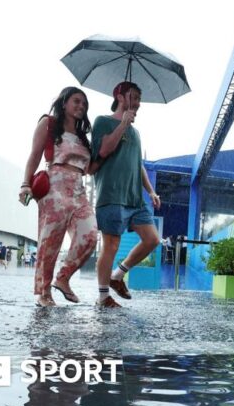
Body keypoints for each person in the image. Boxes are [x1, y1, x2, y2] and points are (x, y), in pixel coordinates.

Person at [19, 87, 99, 307]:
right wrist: (25, 184)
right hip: (54, 187)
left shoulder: (84, 138)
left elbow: (90, 168)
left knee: (90, 235)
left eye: (84, 104)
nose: (81, 106)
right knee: (50, 242)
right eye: (76, 101)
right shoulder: (48, 124)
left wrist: (114, 142)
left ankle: (62, 277)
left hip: (78, 190)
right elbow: (34, 155)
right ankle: (44, 293)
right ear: (64, 103)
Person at [91, 81, 161, 308]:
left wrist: (150, 191)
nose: (138, 103)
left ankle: (117, 275)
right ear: (119, 96)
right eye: (134, 97)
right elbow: (104, 150)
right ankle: (103, 297)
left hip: (135, 198)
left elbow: (137, 164)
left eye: (140, 98)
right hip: (111, 194)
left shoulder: (136, 132)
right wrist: (122, 124)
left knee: (152, 239)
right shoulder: (102, 122)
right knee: (110, 244)